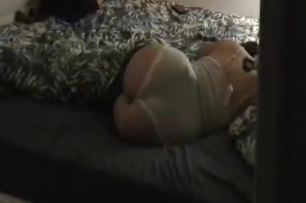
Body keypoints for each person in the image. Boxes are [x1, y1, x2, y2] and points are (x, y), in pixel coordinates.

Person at [111, 39, 258, 146]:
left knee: (125, 74)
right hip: (184, 123)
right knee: (123, 109)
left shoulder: (232, 47)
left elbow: (200, 49)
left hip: (172, 68)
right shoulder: (259, 94)